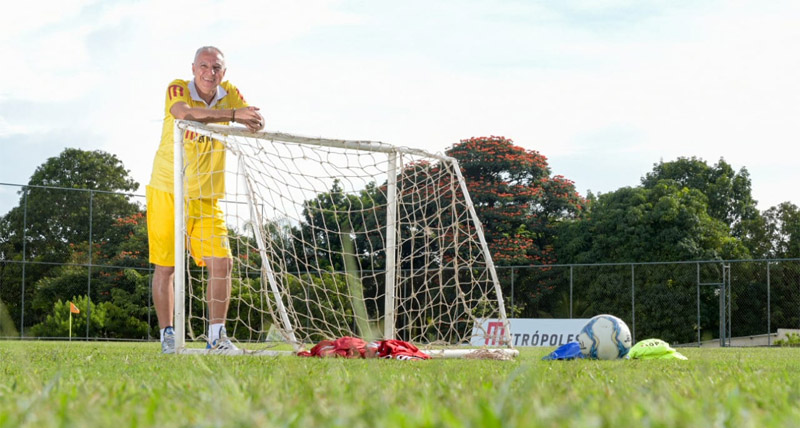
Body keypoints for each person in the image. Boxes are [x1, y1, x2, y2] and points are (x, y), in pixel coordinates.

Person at [147, 46, 264, 354]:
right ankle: (168, 336)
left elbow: (253, 116)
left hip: (207, 196)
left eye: (216, 68)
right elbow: (184, 114)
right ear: (193, 67)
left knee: (222, 263)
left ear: (223, 72)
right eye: (204, 66)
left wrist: (253, 119)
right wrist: (234, 116)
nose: (210, 73)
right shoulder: (177, 88)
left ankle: (217, 337)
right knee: (166, 267)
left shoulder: (230, 93)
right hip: (168, 190)